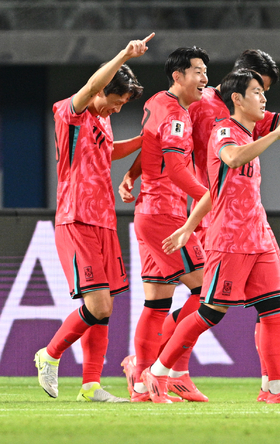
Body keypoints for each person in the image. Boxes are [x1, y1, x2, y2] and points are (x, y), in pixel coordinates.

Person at [119, 50, 280, 402]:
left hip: (249, 225)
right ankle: (155, 369)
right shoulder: (207, 115)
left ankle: (274, 387)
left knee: (271, 304)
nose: (265, 98)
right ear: (240, 89)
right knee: (204, 305)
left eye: (266, 92)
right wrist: (140, 176)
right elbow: (172, 145)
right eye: (260, 90)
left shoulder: (249, 121)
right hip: (214, 220)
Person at [34, 33, 153, 402]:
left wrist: (146, 139)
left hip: (104, 220)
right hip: (76, 218)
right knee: (96, 305)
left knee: (106, 308)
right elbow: (90, 86)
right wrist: (124, 54)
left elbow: (108, 153)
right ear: (102, 91)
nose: (116, 109)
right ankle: (49, 354)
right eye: (115, 102)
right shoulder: (70, 112)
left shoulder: (102, 122)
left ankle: (91, 385)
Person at [128, 46, 210, 402]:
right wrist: (210, 194)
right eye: (198, 72)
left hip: (148, 211)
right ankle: (162, 370)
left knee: (157, 303)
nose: (204, 79)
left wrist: (130, 175)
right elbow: (175, 168)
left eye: (206, 72)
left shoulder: (157, 102)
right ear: (178, 76)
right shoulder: (177, 114)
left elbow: (149, 147)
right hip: (166, 215)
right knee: (209, 292)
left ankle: (141, 382)